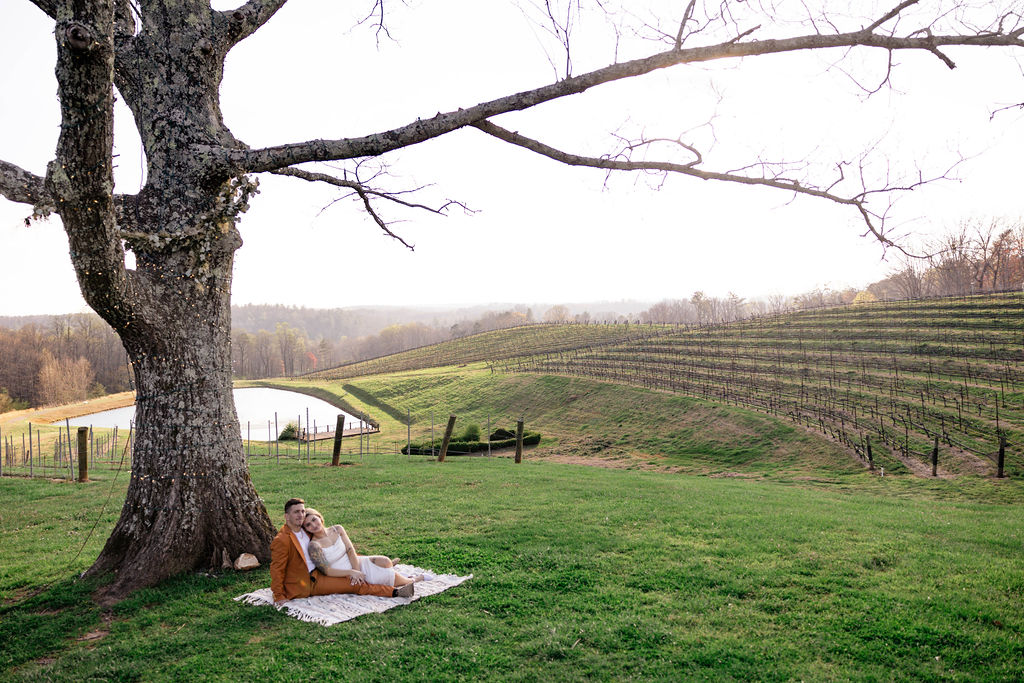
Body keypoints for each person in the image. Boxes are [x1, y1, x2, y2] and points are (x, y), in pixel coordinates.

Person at [270, 498, 412, 607]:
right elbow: (277, 569)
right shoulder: (282, 540)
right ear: (286, 517)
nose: (301, 515)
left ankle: (382, 566)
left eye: (302, 511)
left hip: (321, 568)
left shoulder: (304, 530)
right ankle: (394, 592)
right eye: (296, 512)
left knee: (359, 562)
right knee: (353, 584)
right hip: (308, 581)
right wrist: (278, 596)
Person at [302, 508, 433, 590]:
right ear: (306, 529)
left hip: (356, 563)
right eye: (308, 524)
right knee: (389, 578)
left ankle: (393, 570)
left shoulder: (337, 529)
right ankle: (414, 579)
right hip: (343, 572)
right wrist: (351, 573)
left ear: (319, 517)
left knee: (385, 561)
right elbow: (327, 571)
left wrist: (357, 570)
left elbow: (350, 550)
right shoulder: (314, 545)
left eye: (314, 519)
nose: (314, 525)